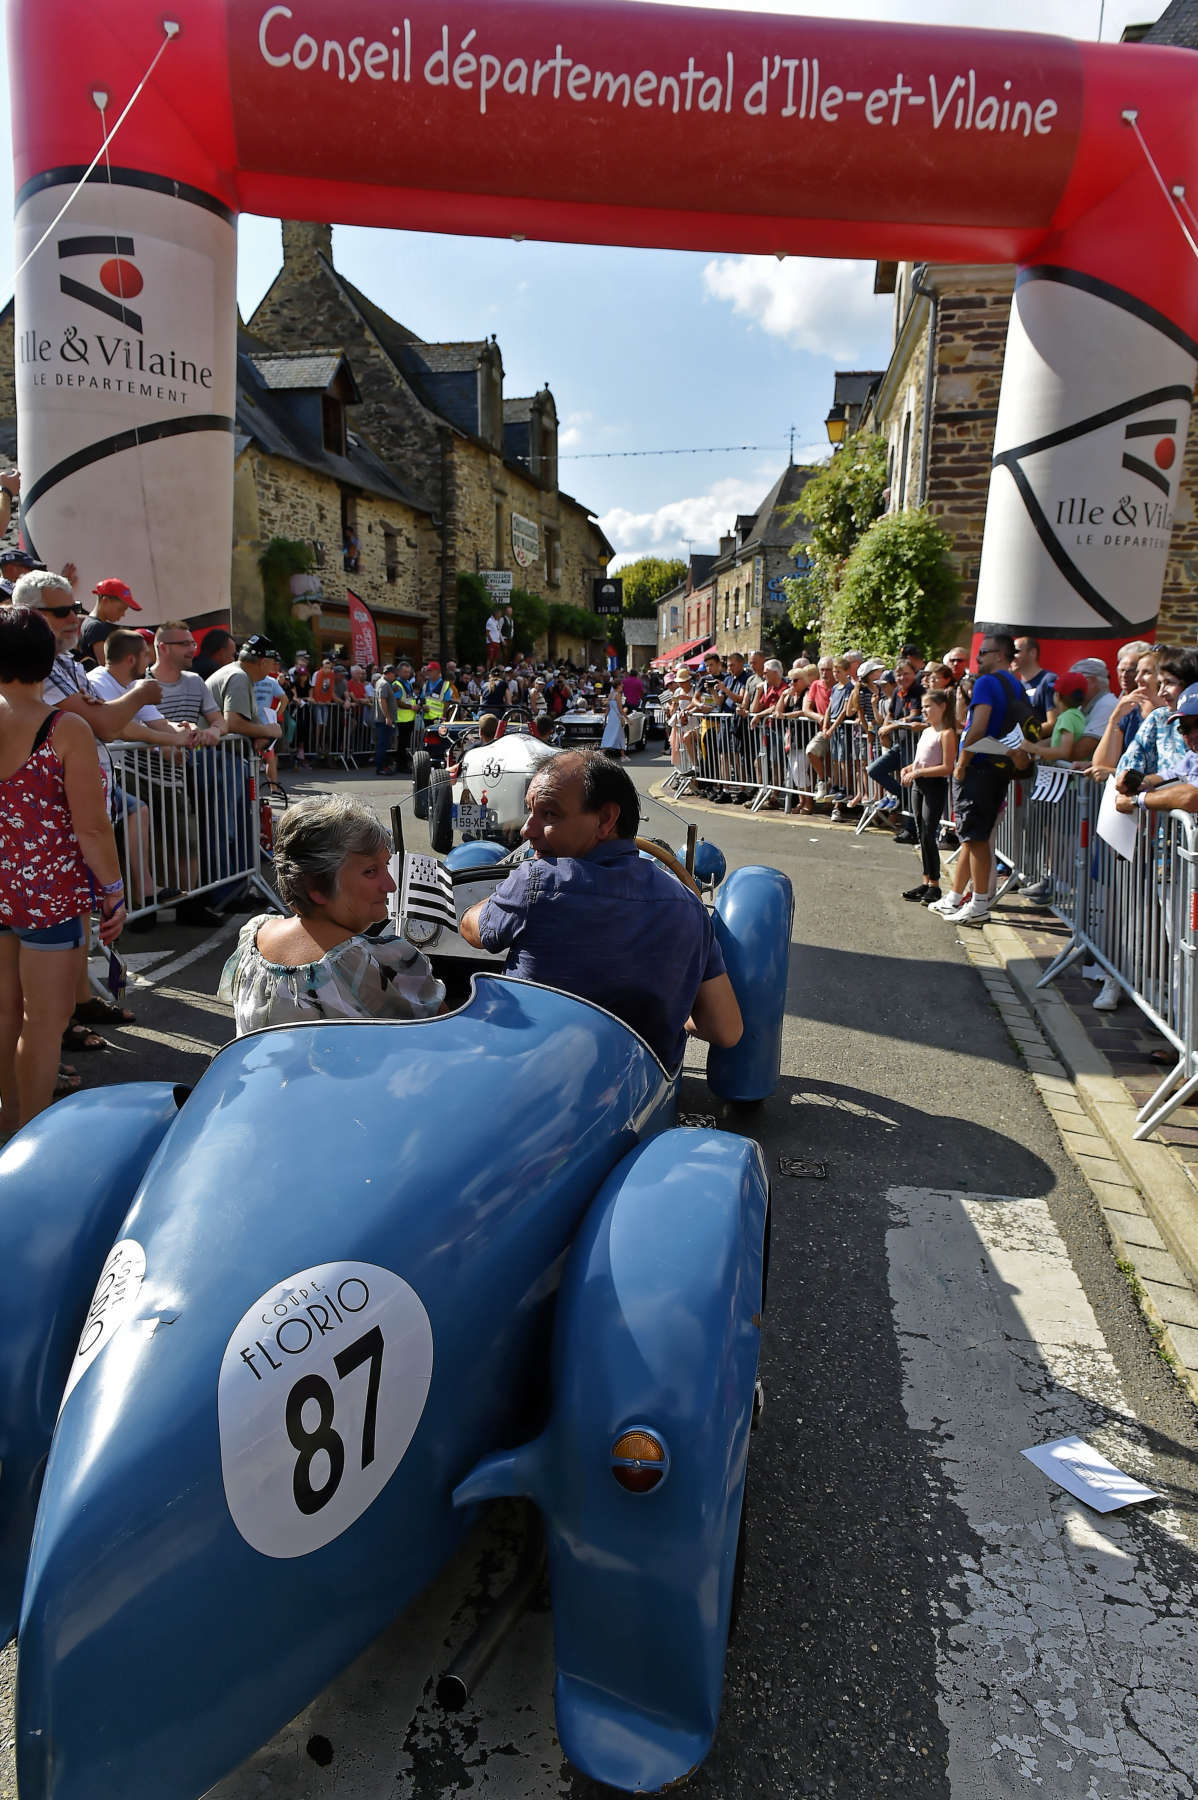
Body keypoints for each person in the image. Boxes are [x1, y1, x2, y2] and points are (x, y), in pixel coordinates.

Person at [459, 751, 742, 1067]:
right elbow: (725, 1030)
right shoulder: (689, 906)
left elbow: (472, 930)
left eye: (550, 814)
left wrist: (492, 900)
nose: (528, 830)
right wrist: (670, 1010)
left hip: (528, 1075)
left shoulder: (535, 881)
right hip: (637, 1095)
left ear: (606, 819)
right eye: (530, 811)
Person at [0, 608, 126, 1128]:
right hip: (49, 896)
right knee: (44, 1023)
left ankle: (8, 1125)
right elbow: (92, 828)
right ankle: (31, 1141)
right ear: (49, 658)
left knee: (5, 1016)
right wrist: (114, 890)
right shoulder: (64, 727)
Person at [218, 797, 444, 1033]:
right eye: (370, 871)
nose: (390, 885)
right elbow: (443, 1032)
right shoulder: (386, 961)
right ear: (316, 885)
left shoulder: (253, 936)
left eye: (386, 866)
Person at [930, 630, 1028, 925]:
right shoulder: (1015, 685)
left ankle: (979, 902)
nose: (978, 657)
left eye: (983, 652)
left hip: (980, 767)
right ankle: (961, 898)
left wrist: (962, 761)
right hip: (998, 767)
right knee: (973, 838)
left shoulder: (987, 682)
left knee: (975, 838)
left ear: (999, 655)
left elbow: (978, 725)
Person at [899, 687, 958, 904]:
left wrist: (918, 772)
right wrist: (909, 768)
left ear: (942, 707)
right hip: (919, 784)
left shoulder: (947, 733)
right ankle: (926, 880)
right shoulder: (926, 731)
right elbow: (920, 760)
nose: (924, 710)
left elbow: (947, 767)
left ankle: (935, 884)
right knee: (921, 832)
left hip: (934, 785)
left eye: (928, 706)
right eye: (922, 706)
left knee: (929, 831)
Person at [78, 577, 141, 666]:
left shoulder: (93, 624)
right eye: (120, 609)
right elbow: (107, 666)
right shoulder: (96, 627)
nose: (123, 614)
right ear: (105, 601)